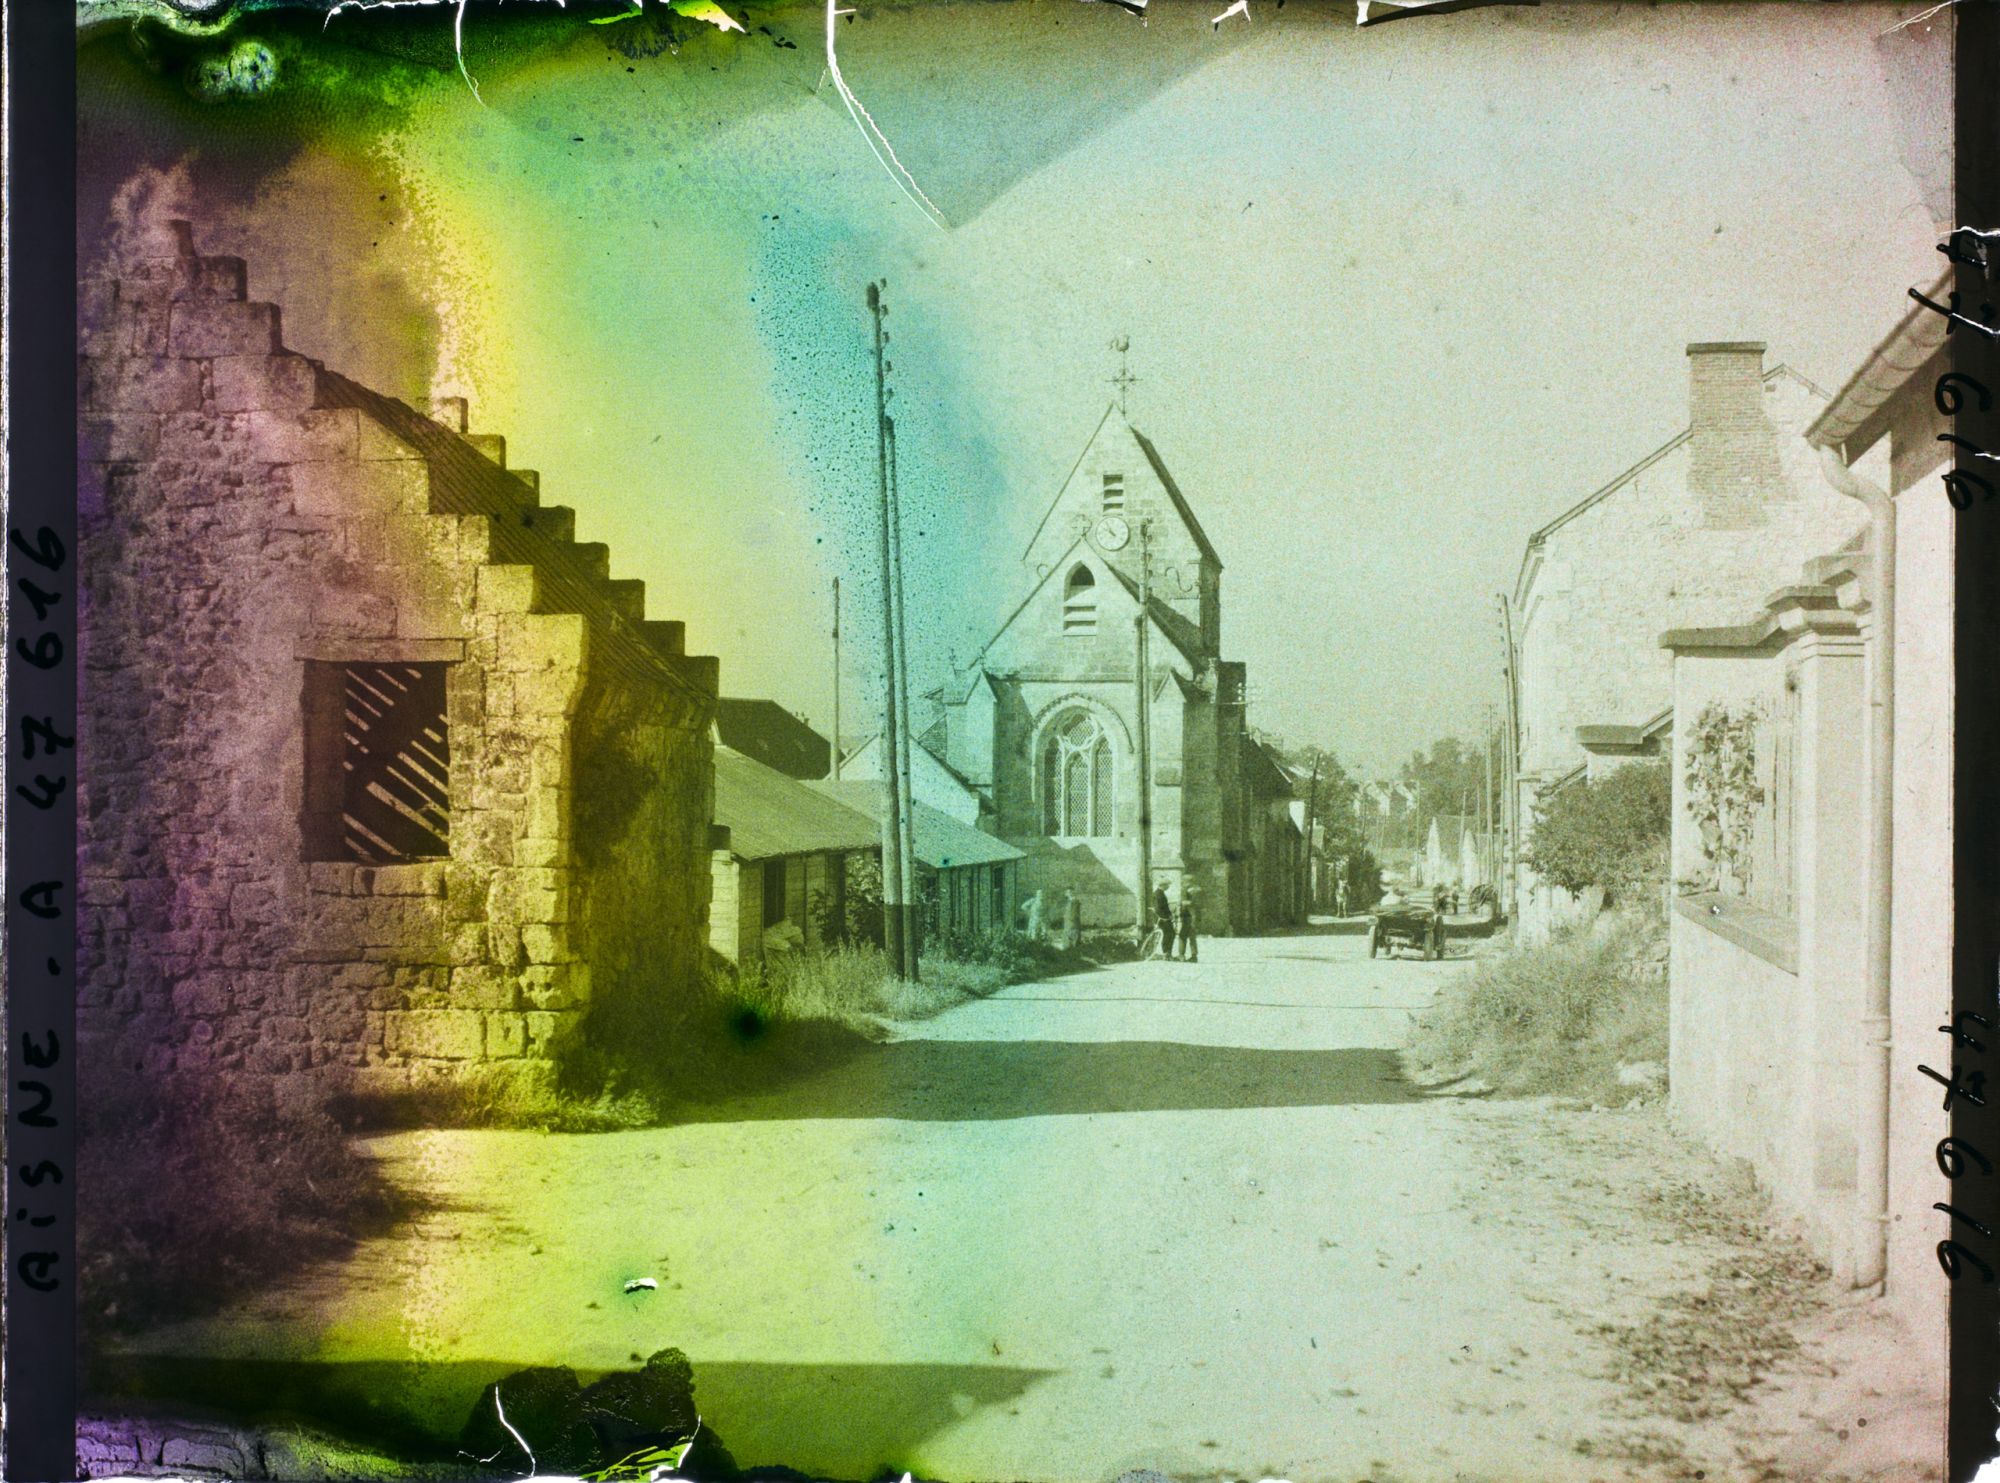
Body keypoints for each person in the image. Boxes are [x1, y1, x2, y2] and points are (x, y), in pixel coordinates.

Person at [1152, 881, 1176, 961]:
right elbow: (1159, 908)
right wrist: (1166, 917)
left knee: (1170, 934)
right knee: (1168, 934)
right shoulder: (1159, 894)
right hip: (1163, 918)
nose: (1168, 886)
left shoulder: (1159, 893)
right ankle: (1166, 953)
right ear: (1162, 885)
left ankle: (1167, 953)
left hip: (1164, 917)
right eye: (1167, 885)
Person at [1177, 890, 1198, 962]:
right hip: (1191, 921)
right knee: (1192, 938)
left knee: (1182, 937)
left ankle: (1181, 956)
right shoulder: (1192, 902)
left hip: (1187, 921)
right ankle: (1194, 956)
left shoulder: (1186, 903)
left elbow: (1184, 911)